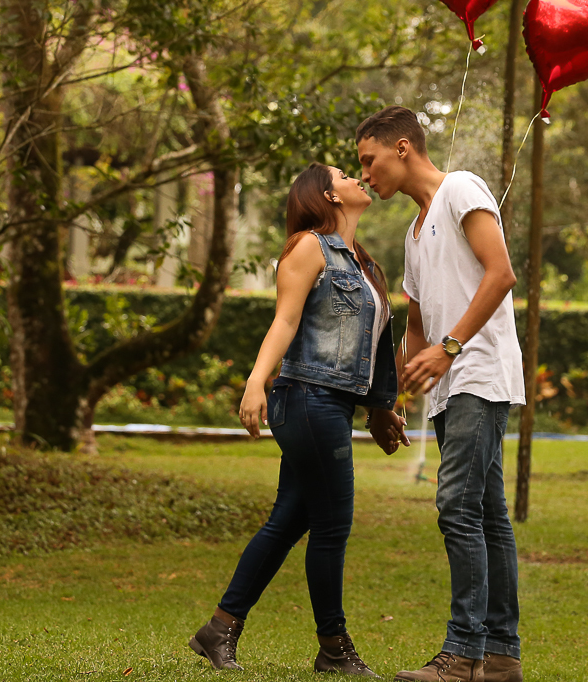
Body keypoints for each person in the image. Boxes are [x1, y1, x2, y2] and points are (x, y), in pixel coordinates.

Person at [188, 162, 410, 675]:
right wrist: (255, 380)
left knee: (288, 521)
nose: (359, 179)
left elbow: (375, 349)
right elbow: (285, 319)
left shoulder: (366, 265)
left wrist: (381, 409)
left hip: (332, 405)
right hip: (307, 398)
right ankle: (333, 646)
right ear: (327, 195)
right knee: (332, 524)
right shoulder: (309, 246)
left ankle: (218, 630)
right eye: (346, 175)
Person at [357, 106, 525, 682]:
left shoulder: (460, 188)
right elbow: (419, 323)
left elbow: (500, 273)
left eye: (369, 160)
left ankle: (462, 654)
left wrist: (449, 348)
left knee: (456, 505)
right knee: (487, 513)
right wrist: (396, 394)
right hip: (452, 385)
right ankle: (502, 657)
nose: (365, 175)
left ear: (402, 148)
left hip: (480, 372)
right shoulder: (413, 230)